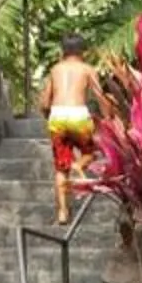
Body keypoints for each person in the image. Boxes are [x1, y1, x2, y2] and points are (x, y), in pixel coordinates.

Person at [41, 33, 98, 226]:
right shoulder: (87, 69)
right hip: (78, 116)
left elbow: (44, 100)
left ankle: (63, 212)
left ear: (62, 51)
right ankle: (78, 166)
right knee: (90, 152)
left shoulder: (55, 69)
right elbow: (99, 94)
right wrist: (110, 115)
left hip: (57, 116)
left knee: (60, 167)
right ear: (84, 52)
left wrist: (47, 116)